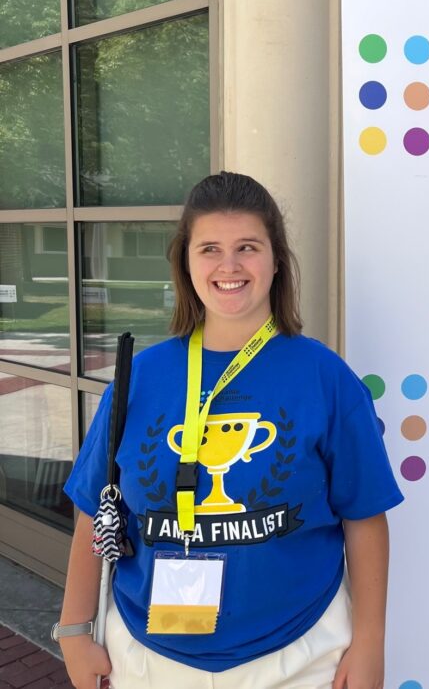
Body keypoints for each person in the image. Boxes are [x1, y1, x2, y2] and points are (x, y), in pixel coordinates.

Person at [58, 172, 404, 689]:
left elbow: (365, 518)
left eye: (248, 247)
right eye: (210, 249)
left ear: (276, 259)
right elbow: (97, 509)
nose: (229, 266)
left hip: (300, 654)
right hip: (148, 656)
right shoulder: (140, 377)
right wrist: (73, 631)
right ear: (186, 261)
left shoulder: (325, 377)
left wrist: (371, 641)